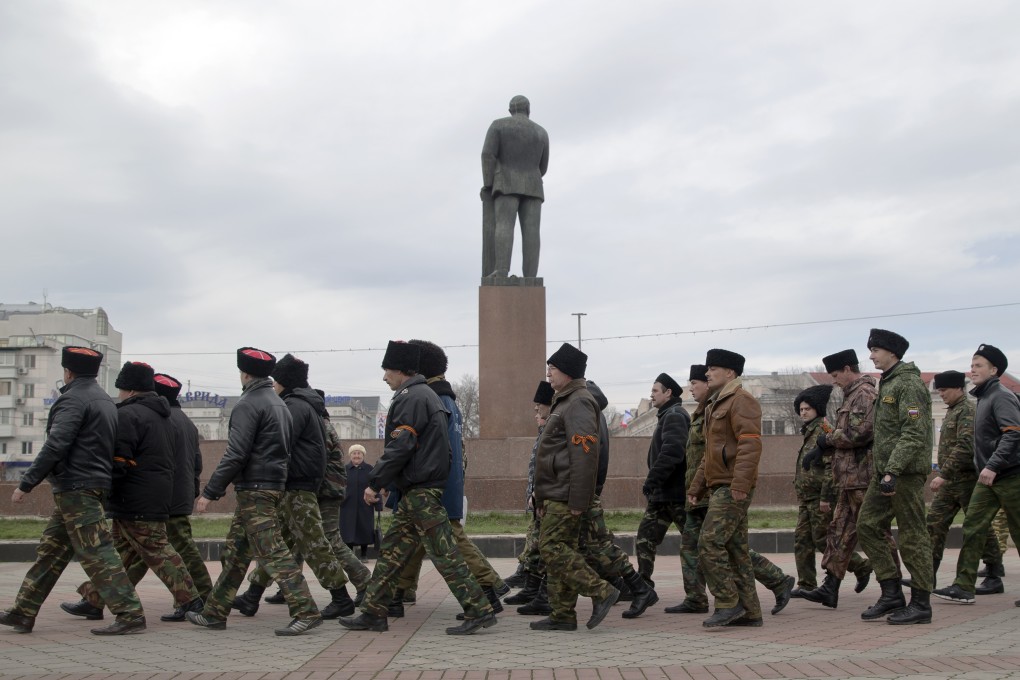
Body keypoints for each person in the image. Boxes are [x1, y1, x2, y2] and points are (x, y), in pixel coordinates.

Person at [339, 341, 496, 635]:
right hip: (420, 490)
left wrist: (376, 482)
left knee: (444, 554)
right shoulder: (427, 396)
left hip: (419, 492)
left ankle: (479, 609)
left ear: (400, 370)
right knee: (391, 553)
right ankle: (374, 611)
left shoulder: (411, 398)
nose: (385, 377)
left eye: (387, 370)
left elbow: (401, 446)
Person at [1, 347, 145, 636]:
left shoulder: (72, 400)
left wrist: (26, 483)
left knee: (98, 553)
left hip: (77, 487)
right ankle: (23, 611)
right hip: (89, 486)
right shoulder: (105, 401)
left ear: (68, 371)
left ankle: (130, 613)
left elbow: (56, 444)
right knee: (51, 552)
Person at [187, 347, 322, 636]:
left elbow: (236, 453)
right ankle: (214, 612)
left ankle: (306, 610)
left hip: (256, 489)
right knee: (237, 554)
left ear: (245, 373)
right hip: (272, 486)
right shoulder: (278, 402)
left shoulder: (248, 403)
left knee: (273, 552)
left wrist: (210, 491)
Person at [62, 362, 201, 624]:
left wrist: (106, 491)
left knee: (158, 551)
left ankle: (191, 599)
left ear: (128, 389)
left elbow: (120, 461)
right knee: (119, 554)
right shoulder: (163, 415)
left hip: (134, 497)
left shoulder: (127, 415)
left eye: (121, 389)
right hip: (154, 494)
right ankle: (94, 599)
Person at [388, 340, 508, 621]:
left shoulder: (434, 399)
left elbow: (431, 449)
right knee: (409, 539)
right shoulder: (442, 397)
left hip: (432, 486)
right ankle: (397, 592)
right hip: (438, 484)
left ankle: (489, 587)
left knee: (450, 539)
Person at [232, 354, 355, 620]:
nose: (273, 386)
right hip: (295, 486)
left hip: (297, 487)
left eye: (276, 381)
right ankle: (252, 596)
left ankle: (342, 598)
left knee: (315, 544)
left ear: (284, 382)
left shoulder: (295, 407)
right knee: (279, 543)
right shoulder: (302, 404)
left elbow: (281, 446)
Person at [528, 343, 619, 632]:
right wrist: (541, 496)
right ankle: (562, 614)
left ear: (566, 371)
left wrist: (579, 499)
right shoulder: (564, 400)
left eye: (552, 368)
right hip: (554, 492)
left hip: (566, 493)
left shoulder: (578, 401)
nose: (548, 373)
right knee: (560, 549)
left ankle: (601, 590)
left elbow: (584, 454)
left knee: (552, 547)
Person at [688, 349, 769, 628]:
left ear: (730, 373)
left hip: (732, 486)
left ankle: (727, 602)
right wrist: (697, 485)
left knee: (709, 542)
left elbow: (750, 444)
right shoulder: (716, 403)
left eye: (713, 369)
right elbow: (710, 452)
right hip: (719, 484)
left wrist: (740, 484)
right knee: (736, 549)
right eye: (708, 369)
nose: (707, 373)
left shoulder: (741, 401)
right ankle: (750, 611)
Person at [934, 344, 1020, 605]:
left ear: (994, 370)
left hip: (1010, 475)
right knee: (973, 528)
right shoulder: (983, 397)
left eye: (979, 365)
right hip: (989, 478)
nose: (972, 370)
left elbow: (1013, 432)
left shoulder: (1001, 396)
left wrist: (992, 465)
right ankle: (963, 586)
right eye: (971, 365)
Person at [858, 329, 934, 625]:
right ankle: (891, 592)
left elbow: (914, 432)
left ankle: (921, 603)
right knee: (867, 525)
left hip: (904, 474)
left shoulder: (909, 385)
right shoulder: (887, 384)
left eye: (875, 350)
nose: (871, 355)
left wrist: (893, 470)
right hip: (886, 472)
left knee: (913, 535)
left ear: (892, 352)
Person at [799, 349, 878, 609]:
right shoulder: (850, 396)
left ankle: (893, 588)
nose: (834, 380)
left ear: (847, 369)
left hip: (862, 478)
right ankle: (829, 588)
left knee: (876, 534)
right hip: (848, 479)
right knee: (837, 534)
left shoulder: (864, 394)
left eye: (835, 375)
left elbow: (860, 433)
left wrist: (826, 440)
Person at [922, 370, 1002, 593]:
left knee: (978, 527)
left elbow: (966, 445)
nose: (941, 394)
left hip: (966, 480)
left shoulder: (967, 410)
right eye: (938, 390)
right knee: (934, 524)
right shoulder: (953, 410)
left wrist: (943, 474)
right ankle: (927, 577)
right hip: (951, 482)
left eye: (944, 390)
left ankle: (994, 574)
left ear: (958, 388)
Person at [480, 94, 550, 279]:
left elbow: (487, 155)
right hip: (534, 186)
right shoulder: (541, 132)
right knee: (532, 232)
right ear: (528, 110)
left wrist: (488, 184)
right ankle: (531, 277)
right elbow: (543, 166)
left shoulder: (498, 125)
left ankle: (501, 270)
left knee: (504, 225)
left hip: (505, 184)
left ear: (511, 110)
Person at [635, 373, 689, 587]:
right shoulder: (667, 415)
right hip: (662, 496)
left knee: (704, 545)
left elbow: (673, 452)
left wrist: (652, 480)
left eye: (655, 390)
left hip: (676, 496)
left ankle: (775, 580)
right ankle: (643, 588)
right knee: (644, 539)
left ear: (668, 393)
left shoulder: (675, 415)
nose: (651, 395)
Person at [666, 365, 712, 614]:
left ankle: (776, 580)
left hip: (709, 492)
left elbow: (711, 455)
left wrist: (699, 488)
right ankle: (695, 598)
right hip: (696, 492)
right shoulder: (699, 412)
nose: (691, 387)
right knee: (690, 547)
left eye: (694, 382)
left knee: (725, 546)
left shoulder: (713, 412)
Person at [505, 381, 554, 610]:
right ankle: (532, 589)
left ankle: (614, 588)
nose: (535, 412)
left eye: (539, 407)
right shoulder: (544, 431)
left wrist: (539, 494)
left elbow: (549, 467)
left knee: (550, 548)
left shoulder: (553, 430)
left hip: (550, 498)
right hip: (541, 498)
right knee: (536, 546)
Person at [790, 385, 835, 596]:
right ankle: (806, 584)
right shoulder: (808, 431)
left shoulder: (824, 431)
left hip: (819, 498)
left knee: (822, 540)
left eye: (807, 408)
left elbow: (831, 467)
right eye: (801, 409)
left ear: (817, 409)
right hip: (806, 498)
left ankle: (861, 567)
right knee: (802, 541)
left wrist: (826, 497)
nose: (803, 412)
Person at [341, 445, 379, 560]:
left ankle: (363, 554)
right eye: (354, 453)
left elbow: (376, 485)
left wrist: (379, 505)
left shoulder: (369, 469)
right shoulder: (344, 470)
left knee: (365, 528)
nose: (356, 456)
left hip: (365, 505)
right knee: (347, 529)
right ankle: (349, 555)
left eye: (359, 453)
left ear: (363, 455)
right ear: (350, 455)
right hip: (347, 505)